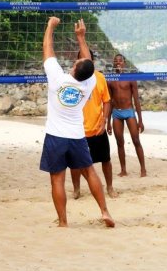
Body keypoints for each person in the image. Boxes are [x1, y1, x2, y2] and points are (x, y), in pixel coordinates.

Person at [40, 16, 114, 228]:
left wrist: (50, 26)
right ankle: (104, 211)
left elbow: (47, 49)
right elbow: (88, 61)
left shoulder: (58, 78)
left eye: (75, 62)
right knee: (90, 171)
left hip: (56, 137)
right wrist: (81, 37)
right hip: (77, 137)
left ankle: (63, 222)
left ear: (73, 68)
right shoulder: (90, 82)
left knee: (57, 179)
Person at [70, 51, 118, 199]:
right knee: (75, 163)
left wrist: (104, 121)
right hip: (78, 129)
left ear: (92, 61)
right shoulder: (72, 79)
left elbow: (107, 101)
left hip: (97, 128)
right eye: (81, 59)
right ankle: (76, 189)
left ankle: (109, 187)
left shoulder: (100, 77)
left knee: (105, 160)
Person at [107, 53, 147, 177]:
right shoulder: (110, 80)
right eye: (116, 61)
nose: (118, 62)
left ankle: (143, 169)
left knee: (136, 140)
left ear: (124, 63)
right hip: (116, 113)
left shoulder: (130, 78)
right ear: (114, 63)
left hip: (129, 111)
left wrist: (140, 120)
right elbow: (108, 101)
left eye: (120, 60)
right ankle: (123, 170)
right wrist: (107, 122)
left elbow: (136, 100)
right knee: (120, 143)